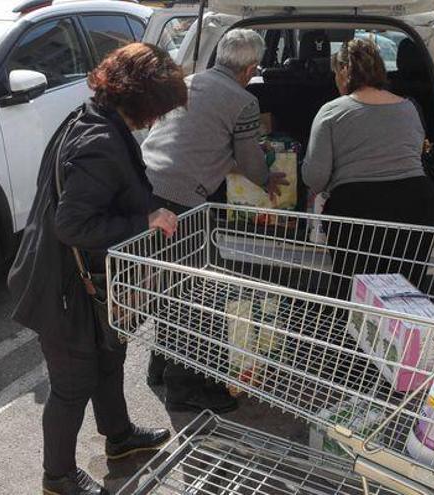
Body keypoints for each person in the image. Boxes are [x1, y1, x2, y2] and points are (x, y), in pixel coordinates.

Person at [8, 43, 187, 495]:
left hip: (85, 280)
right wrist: (144, 220)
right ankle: (58, 477)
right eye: (159, 109)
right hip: (63, 288)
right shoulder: (101, 141)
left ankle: (120, 437)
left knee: (111, 357)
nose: (158, 120)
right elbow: (72, 224)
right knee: (72, 384)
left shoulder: (89, 116)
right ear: (143, 102)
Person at [140, 28, 287, 414]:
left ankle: (161, 366)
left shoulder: (188, 82)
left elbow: (194, 138)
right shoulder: (243, 101)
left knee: (170, 282)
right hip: (182, 198)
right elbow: (250, 158)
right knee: (193, 291)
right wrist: (267, 178)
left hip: (144, 187)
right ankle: (185, 386)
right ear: (251, 68)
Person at [302, 39, 434, 298]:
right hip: (417, 206)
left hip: (358, 212)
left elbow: (315, 178)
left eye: (335, 73)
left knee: (359, 295)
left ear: (344, 71)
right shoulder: (409, 107)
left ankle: (357, 339)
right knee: (404, 296)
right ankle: (402, 337)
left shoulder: (331, 112)